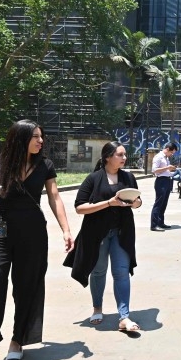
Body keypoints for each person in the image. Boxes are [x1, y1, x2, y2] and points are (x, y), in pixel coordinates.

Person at [0, 120, 73, 360]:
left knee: (27, 288)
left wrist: (66, 230)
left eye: (41, 137)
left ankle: (17, 340)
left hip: (33, 233)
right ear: (20, 138)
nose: (41, 141)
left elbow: (54, 196)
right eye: (36, 136)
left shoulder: (44, 165)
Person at [63, 142, 143, 332]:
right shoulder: (93, 179)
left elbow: (138, 203)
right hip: (98, 234)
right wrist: (109, 203)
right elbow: (79, 207)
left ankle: (124, 317)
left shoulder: (128, 177)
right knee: (98, 271)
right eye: (120, 155)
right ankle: (97, 308)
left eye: (125, 155)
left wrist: (135, 203)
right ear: (108, 157)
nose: (124, 158)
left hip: (122, 233)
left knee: (121, 272)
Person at [150, 142, 177, 231]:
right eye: (171, 152)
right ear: (167, 149)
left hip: (167, 180)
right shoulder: (159, 157)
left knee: (164, 203)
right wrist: (167, 168)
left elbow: (166, 171)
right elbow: (154, 170)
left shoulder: (166, 158)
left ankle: (160, 222)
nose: (171, 155)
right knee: (158, 203)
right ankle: (154, 225)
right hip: (161, 181)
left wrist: (171, 171)